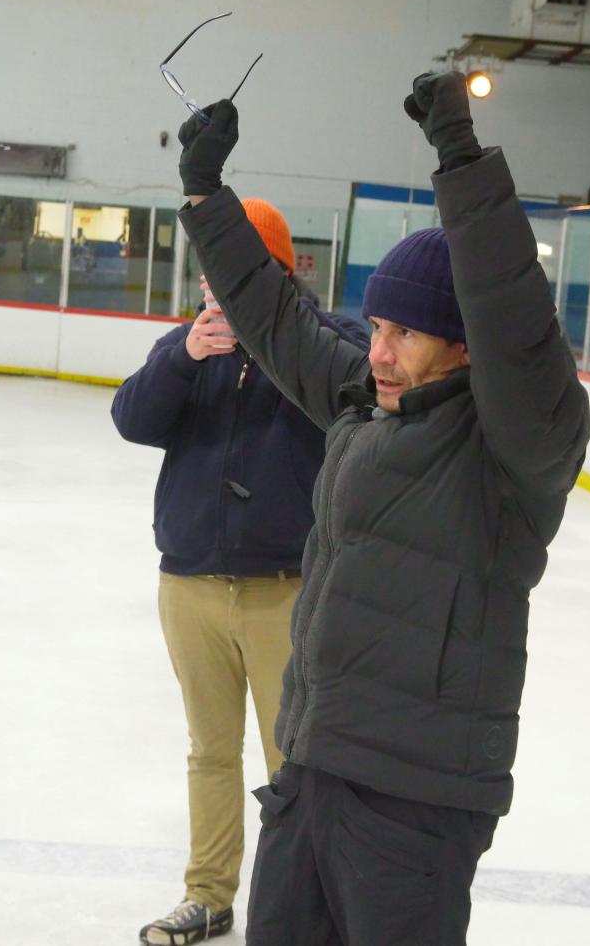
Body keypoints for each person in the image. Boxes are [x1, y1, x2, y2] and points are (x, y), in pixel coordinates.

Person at [173, 72, 590, 944]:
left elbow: (515, 319)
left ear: (464, 344)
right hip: (313, 768)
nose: (381, 348)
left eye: (405, 331)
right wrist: (207, 196)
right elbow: (276, 320)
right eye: (376, 326)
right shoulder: (366, 403)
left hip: (415, 802)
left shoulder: (514, 452)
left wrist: (460, 157)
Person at [110, 200, 368, 946]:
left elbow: (359, 400)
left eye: (229, 271)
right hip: (189, 584)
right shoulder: (190, 347)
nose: (209, 287)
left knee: (294, 765)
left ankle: (296, 911)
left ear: (274, 273)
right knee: (210, 751)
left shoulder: (326, 345)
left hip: (285, 593)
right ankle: (209, 895)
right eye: (207, 272)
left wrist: (284, 341)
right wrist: (183, 355)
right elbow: (133, 420)